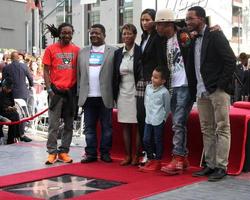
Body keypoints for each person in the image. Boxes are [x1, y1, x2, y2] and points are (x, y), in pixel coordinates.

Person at [186, 6, 236, 181]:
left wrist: (220, 85)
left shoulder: (215, 34)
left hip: (217, 90)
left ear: (201, 19)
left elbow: (230, 60)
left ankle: (221, 166)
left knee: (222, 127)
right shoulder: (192, 39)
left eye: (190, 18)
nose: (188, 22)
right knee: (206, 129)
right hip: (201, 91)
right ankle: (210, 164)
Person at [151, 8, 196, 175]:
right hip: (172, 85)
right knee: (177, 122)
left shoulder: (183, 35)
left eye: (158, 25)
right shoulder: (162, 41)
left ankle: (177, 156)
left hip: (185, 84)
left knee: (178, 122)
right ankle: (182, 158)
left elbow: (194, 51)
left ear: (167, 24)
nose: (156, 28)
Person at [78, 24, 117, 163]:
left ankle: (105, 153)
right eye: (92, 33)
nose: (94, 35)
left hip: (105, 96)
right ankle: (91, 154)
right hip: (88, 96)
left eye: (97, 33)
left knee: (107, 127)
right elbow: (79, 75)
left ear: (104, 35)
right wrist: (79, 94)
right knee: (89, 128)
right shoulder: (82, 52)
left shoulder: (113, 51)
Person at [43, 22, 80, 165]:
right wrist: (49, 90)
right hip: (55, 93)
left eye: (69, 33)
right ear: (59, 33)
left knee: (69, 125)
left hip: (70, 93)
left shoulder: (77, 50)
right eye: (64, 32)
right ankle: (52, 153)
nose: (66, 35)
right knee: (53, 125)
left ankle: (64, 151)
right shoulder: (50, 49)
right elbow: (46, 71)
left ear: (72, 34)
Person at [113, 24, 142, 166]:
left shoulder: (140, 51)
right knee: (125, 124)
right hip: (122, 92)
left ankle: (136, 155)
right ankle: (127, 155)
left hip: (137, 91)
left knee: (136, 125)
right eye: (124, 33)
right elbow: (114, 75)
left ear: (135, 35)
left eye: (129, 33)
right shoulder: (118, 53)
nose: (126, 36)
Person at [136, 9, 158, 164]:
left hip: (153, 82)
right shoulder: (144, 37)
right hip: (141, 82)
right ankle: (145, 150)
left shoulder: (158, 37)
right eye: (142, 20)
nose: (144, 23)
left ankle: (152, 153)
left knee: (151, 118)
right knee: (141, 116)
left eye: (148, 19)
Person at [139, 67, 170, 172]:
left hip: (158, 119)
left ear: (163, 81)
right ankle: (151, 159)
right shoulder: (148, 88)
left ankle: (158, 161)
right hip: (148, 119)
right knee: (146, 139)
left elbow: (167, 107)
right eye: (152, 76)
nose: (153, 79)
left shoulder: (164, 92)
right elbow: (145, 101)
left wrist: (164, 119)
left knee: (158, 140)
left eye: (156, 77)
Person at [2, 51, 33, 142]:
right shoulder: (24, 66)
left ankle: (15, 135)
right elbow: (30, 78)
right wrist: (31, 85)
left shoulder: (7, 67)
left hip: (10, 94)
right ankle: (21, 134)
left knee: (13, 113)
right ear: (18, 58)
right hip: (22, 93)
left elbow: (4, 81)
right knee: (22, 114)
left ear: (11, 58)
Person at [0, 78, 23, 144]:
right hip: (1, 112)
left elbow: (12, 103)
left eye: (10, 89)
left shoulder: (10, 93)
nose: (9, 90)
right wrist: (6, 108)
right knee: (14, 116)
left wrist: (12, 108)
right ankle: (12, 138)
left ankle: (13, 137)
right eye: (8, 89)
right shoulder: (1, 93)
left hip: (7, 111)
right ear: (4, 87)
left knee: (16, 115)